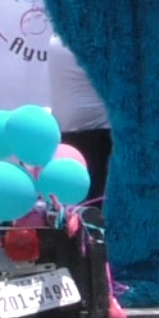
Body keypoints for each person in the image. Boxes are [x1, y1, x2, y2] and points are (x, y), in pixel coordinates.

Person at [47, 31, 112, 203]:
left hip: (68, 130)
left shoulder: (58, 37)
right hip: (100, 131)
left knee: (75, 202)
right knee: (98, 201)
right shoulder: (97, 37)